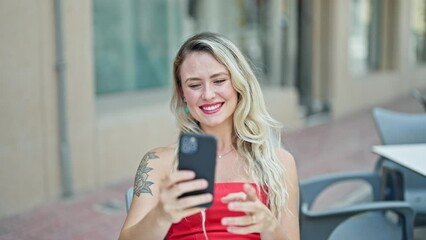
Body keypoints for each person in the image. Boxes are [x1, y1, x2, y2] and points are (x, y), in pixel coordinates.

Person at [119, 32, 299, 240]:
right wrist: (161, 214)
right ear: (182, 94)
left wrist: (269, 226)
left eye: (219, 81)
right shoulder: (157, 162)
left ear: (239, 85)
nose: (208, 94)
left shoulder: (279, 162)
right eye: (194, 85)